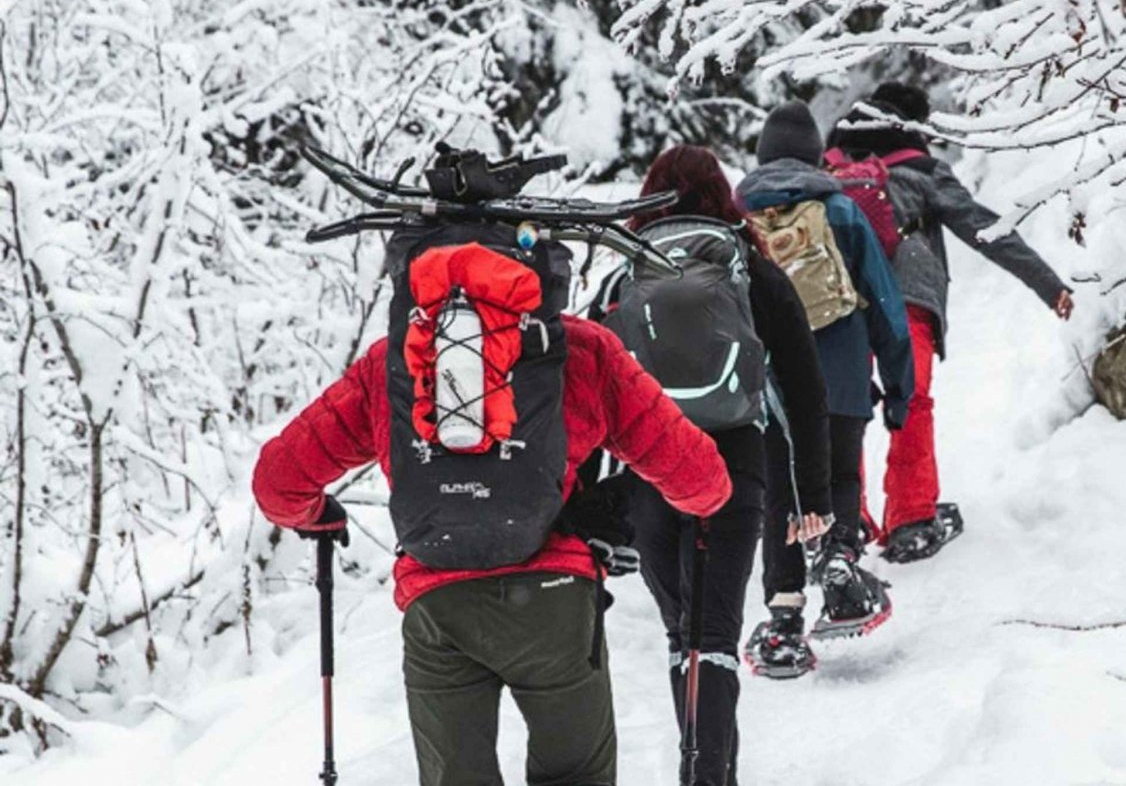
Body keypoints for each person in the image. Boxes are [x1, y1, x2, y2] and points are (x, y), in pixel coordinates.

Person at [251, 310, 731, 786]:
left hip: (438, 602)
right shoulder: (582, 349)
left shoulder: (395, 358)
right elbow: (703, 482)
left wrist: (317, 516)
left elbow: (278, 485)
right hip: (553, 600)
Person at [591, 144, 833, 785]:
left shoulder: (623, 277)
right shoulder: (748, 266)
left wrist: (583, 502)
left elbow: (584, 388)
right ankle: (708, 776)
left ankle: (699, 772)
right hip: (733, 457)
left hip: (650, 463)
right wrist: (812, 493)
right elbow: (806, 388)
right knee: (717, 634)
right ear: (720, 195)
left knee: (683, 636)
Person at [825, 82, 1073, 563]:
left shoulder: (829, 169)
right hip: (905, 299)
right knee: (911, 401)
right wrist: (1048, 284)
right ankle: (911, 521)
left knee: (843, 409)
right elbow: (986, 229)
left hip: (840, 302)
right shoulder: (922, 170)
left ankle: (844, 523)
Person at [736, 101, 915, 658]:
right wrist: (900, 387)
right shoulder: (838, 209)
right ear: (817, 155)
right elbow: (884, 302)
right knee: (838, 473)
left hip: (768, 383)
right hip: (839, 372)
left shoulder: (737, 216)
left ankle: (784, 618)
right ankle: (838, 560)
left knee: (778, 492)